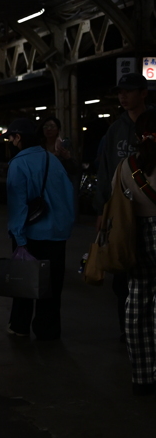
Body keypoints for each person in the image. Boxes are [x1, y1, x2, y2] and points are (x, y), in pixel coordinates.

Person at [5, 117, 76, 340]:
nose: (11, 142)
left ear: (18, 137)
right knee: (52, 285)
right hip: (56, 234)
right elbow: (68, 195)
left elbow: (17, 204)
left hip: (30, 234)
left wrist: (18, 237)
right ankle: (48, 330)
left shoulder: (18, 163)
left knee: (24, 282)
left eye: (11, 138)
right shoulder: (52, 160)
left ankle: (20, 326)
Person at [94, 73, 149, 340]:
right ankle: (126, 329)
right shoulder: (115, 130)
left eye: (128, 91)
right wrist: (101, 209)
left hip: (149, 208)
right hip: (120, 211)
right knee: (122, 272)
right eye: (119, 92)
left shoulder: (152, 123)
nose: (123, 96)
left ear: (144, 93)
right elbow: (104, 170)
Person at [119, 110, 156, 394]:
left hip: (134, 237)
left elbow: (115, 202)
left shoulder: (126, 166)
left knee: (137, 303)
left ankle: (142, 377)